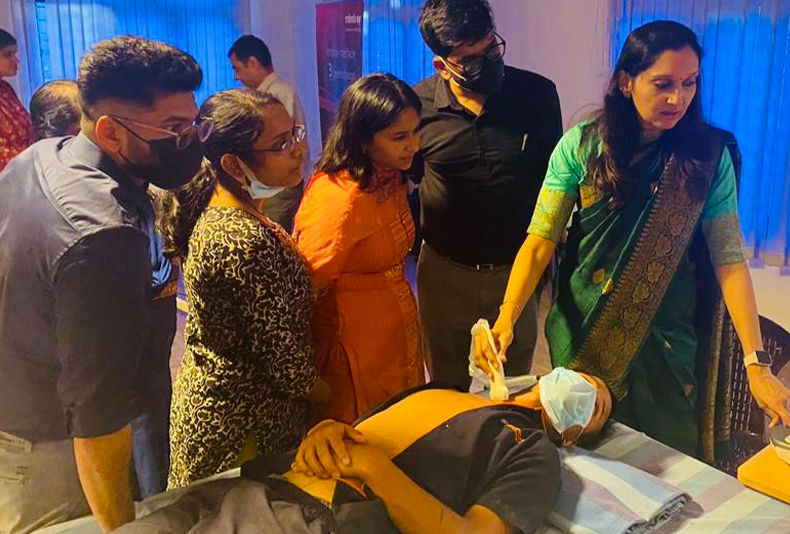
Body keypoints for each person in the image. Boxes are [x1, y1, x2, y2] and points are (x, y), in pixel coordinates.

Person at [475, 21, 790, 463]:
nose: (678, 99)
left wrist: (756, 364)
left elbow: (728, 260)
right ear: (626, 82)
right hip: (585, 328)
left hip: (667, 337)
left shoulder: (706, 156)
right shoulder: (582, 146)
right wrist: (507, 317)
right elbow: (540, 241)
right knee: (583, 448)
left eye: (689, 83)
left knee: (667, 459)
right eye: (663, 84)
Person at [0, 36, 208, 533]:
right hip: (50, 447)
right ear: (111, 131)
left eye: (193, 123)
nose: (189, 141)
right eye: (174, 128)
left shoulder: (43, 154)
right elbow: (98, 417)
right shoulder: (102, 234)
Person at [114, 369, 613, 534]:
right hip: (255, 488)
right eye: (584, 377)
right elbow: (357, 430)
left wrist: (375, 469)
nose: (586, 386)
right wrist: (325, 430)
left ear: (573, 437)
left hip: (313, 520)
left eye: (597, 404)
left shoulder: (533, 453)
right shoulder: (450, 391)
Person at [159, 89, 327, 489]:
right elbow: (287, 366)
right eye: (280, 144)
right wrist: (337, 396)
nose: (298, 150)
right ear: (233, 164)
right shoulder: (240, 240)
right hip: (240, 423)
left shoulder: (238, 208)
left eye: (295, 134)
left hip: (243, 408)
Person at [412, 0, 563, 390]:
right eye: (470, 59)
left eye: (491, 49)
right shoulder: (416, 108)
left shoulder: (537, 96)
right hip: (445, 272)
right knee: (445, 386)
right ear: (442, 66)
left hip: (515, 271)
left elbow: (552, 182)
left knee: (511, 386)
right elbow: (408, 179)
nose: (488, 63)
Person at [294, 74, 423, 424]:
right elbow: (306, 290)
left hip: (394, 336)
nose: (414, 145)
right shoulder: (340, 199)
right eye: (400, 137)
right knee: (364, 433)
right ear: (363, 140)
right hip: (353, 345)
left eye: (416, 131)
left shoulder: (391, 175)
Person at [229, 35, 309, 232]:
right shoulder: (266, 95)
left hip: (277, 186)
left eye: (237, 69)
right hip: (266, 184)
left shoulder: (278, 95)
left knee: (271, 236)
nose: (236, 77)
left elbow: (280, 145)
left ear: (253, 63)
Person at [0, 28, 31, 171]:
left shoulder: (5, 89)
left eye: (14, 54)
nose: (16, 61)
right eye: (8, 55)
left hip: (25, 171)